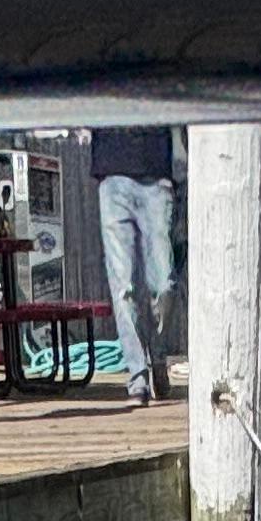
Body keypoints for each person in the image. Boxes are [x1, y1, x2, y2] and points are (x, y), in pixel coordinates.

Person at [94, 123, 178, 408]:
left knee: (164, 282)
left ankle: (158, 354)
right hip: (111, 172)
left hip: (157, 175)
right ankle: (137, 375)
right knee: (122, 285)